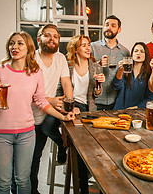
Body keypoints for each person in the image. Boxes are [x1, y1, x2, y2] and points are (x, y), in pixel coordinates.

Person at [0, 32, 74, 194]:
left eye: (20, 43)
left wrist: (63, 116)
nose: (14, 47)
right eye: (11, 43)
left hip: (26, 134)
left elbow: (41, 101)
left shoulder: (35, 73)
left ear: (28, 48)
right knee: (3, 184)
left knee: (23, 181)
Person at [30, 24, 73, 194]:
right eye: (47, 35)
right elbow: (28, 91)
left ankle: (62, 146)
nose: (52, 39)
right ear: (38, 38)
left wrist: (70, 104)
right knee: (31, 158)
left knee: (36, 157)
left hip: (48, 111)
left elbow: (66, 82)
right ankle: (30, 190)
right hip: (29, 115)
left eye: (55, 36)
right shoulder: (31, 58)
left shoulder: (60, 58)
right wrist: (52, 100)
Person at [60, 34, 105, 194]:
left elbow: (97, 94)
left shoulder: (95, 65)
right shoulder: (67, 66)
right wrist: (72, 107)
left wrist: (99, 85)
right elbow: (61, 91)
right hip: (71, 108)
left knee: (94, 145)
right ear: (75, 49)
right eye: (83, 45)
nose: (88, 48)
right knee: (80, 145)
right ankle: (82, 186)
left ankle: (86, 178)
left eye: (88, 45)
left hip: (89, 109)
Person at [91, 15, 130, 110]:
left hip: (116, 102)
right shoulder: (93, 47)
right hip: (95, 101)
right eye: (107, 25)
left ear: (119, 30)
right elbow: (84, 69)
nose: (109, 27)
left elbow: (127, 77)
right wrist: (98, 64)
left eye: (113, 25)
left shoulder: (125, 51)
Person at [113, 42, 153, 110]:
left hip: (138, 113)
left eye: (142, 52)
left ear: (146, 55)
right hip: (120, 110)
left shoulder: (149, 74)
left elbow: (150, 98)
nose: (138, 53)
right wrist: (120, 70)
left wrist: (135, 108)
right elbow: (116, 86)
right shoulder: (125, 70)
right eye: (136, 51)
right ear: (132, 54)